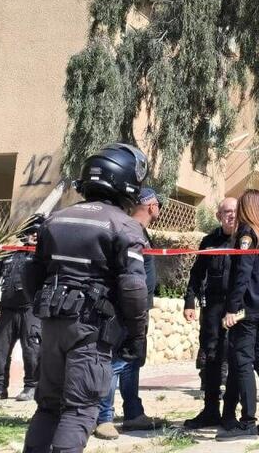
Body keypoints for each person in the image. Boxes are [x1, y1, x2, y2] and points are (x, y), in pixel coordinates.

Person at [21, 143, 150, 453]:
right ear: (126, 181)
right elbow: (133, 289)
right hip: (90, 329)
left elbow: (31, 272)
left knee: (48, 407)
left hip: (52, 324)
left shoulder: (56, 220)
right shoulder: (125, 226)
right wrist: (137, 334)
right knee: (80, 410)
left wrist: (42, 309)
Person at [95, 188, 164, 439]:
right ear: (151, 207)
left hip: (138, 309)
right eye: (158, 205)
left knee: (132, 361)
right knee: (116, 362)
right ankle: (104, 417)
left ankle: (133, 414)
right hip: (124, 308)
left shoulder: (139, 231)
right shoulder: (128, 229)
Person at [216, 190, 259, 441]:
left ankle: (247, 421)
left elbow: (242, 273)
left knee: (243, 362)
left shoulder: (247, 233)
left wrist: (232, 309)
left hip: (250, 308)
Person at [182, 197, 237, 429]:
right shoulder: (209, 241)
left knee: (236, 358)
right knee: (211, 358)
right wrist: (189, 301)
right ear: (218, 216)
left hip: (238, 308)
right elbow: (196, 274)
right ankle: (210, 410)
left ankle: (231, 413)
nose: (231, 215)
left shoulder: (246, 240)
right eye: (226, 211)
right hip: (213, 308)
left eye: (235, 211)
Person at [0, 213, 44, 403]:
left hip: (31, 310)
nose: (35, 236)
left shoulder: (44, 256)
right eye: (31, 232)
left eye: (38, 233)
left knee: (32, 349)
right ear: (24, 234)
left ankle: (31, 387)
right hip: (7, 310)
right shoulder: (10, 254)